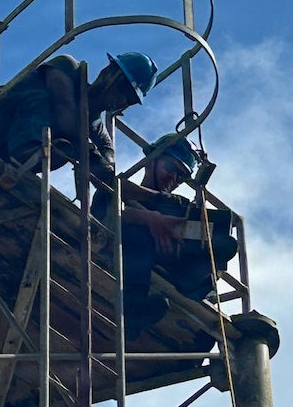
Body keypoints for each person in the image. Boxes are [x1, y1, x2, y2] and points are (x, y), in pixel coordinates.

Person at [92, 133, 238, 339]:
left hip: (172, 269)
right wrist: (149, 219)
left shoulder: (177, 206)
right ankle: (135, 308)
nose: (173, 179)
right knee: (137, 234)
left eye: (181, 176)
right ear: (151, 161)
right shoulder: (113, 192)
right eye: (170, 168)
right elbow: (99, 221)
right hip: (129, 258)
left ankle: (201, 301)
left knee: (219, 242)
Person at [0, 52, 158, 177]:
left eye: (130, 99)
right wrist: (89, 153)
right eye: (123, 90)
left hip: (2, 154)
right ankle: (27, 152)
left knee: (65, 148)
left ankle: (29, 158)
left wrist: (104, 164)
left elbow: (108, 160)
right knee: (43, 99)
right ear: (108, 73)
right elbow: (65, 112)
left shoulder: (95, 127)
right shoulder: (68, 67)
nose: (123, 101)